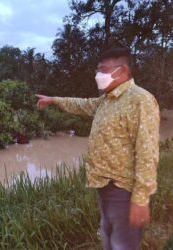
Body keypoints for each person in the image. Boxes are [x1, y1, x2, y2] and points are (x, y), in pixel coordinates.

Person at [35, 47, 160, 250]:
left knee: (123, 244)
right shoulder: (107, 100)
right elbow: (82, 105)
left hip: (124, 188)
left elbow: (147, 152)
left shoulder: (140, 100)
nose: (98, 75)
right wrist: (54, 100)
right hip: (105, 185)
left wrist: (141, 199)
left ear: (122, 71)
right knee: (108, 233)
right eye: (98, 70)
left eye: (103, 70)